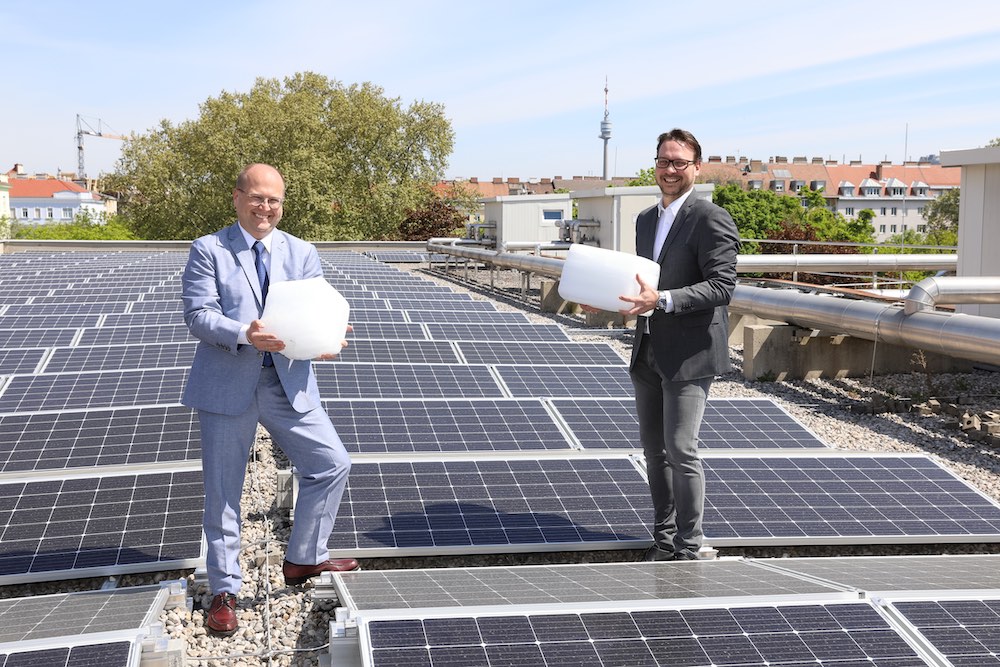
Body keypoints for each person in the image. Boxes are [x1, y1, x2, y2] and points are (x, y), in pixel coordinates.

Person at [181, 163, 358, 637]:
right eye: (257, 198)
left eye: (274, 200)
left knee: (331, 463)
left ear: (282, 204)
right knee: (224, 493)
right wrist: (244, 333)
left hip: (288, 383)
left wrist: (327, 336)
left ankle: (303, 558)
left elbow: (316, 307)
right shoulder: (209, 249)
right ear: (237, 198)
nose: (265, 208)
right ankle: (224, 590)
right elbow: (198, 315)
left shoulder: (302, 252)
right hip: (227, 385)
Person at [589, 129, 738, 561]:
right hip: (647, 348)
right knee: (654, 453)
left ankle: (690, 546)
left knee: (681, 450)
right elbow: (643, 284)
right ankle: (664, 540)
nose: (669, 170)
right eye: (663, 161)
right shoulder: (645, 220)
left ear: (696, 167)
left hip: (689, 352)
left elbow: (722, 286)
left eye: (678, 162)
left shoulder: (710, 218)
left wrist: (666, 301)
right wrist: (604, 299)